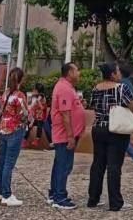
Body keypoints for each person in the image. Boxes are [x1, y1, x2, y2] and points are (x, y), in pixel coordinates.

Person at [88, 62, 133, 211]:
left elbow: (93, 106)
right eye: (117, 72)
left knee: (98, 164)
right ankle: (115, 202)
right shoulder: (121, 88)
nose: (119, 74)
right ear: (112, 74)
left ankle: (93, 198)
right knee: (114, 166)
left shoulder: (95, 88)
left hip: (98, 129)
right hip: (115, 130)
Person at [48, 62, 86, 209]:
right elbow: (65, 114)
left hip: (66, 134)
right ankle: (60, 197)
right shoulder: (64, 88)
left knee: (59, 165)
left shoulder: (67, 87)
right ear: (70, 72)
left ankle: (54, 193)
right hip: (64, 135)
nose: (79, 73)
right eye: (77, 70)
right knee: (64, 166)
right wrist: (70, 136)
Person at [0, 67, 29, 207]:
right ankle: (7, 195)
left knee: (1, 162)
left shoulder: (6, 93)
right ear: (21, 79)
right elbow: (24, 114)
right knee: (9, 163)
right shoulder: (19, 95)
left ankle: (0, 192)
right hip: (15, 130)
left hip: (3, 129)